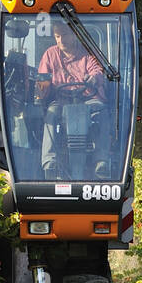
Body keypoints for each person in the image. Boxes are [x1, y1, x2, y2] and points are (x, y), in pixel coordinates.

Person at [38, 23, 110, 175]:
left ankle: (101, 160)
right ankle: (49, 161)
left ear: (74, 36)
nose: (61, 40)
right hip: (62, 101)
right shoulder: (50, 55)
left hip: (88, 99)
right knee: (51, 114)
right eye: (57, 36)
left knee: (101, 112)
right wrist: (42, 87)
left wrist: (93, 78)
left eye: (64, 35)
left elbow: (97, 71)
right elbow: (43, 79)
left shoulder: (88, 54)